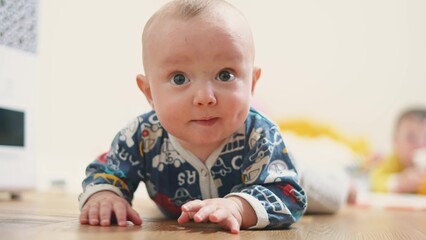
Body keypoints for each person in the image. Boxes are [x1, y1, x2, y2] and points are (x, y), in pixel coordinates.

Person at [78, 0, 307, 234]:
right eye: (179, 78)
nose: (205, 97)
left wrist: (238, 207)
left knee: (326, 192)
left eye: (225, 75)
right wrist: (105, 194)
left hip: (279, 168)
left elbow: (287, 194)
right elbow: (108, 169)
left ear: (252, 83)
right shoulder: (143, 136)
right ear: (149, 93)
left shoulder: (260, 135)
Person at [370, 108, 426, 193]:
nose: (420, 145)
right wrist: (398, 183)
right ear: (395, 141)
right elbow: (375, 181)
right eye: (411, 138)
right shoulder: (393, 160)